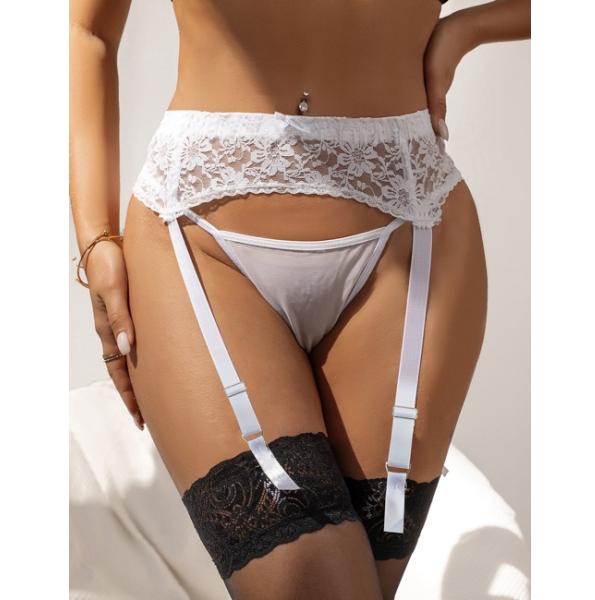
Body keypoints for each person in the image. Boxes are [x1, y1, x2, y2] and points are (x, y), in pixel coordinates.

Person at [69, 1, 530, 598]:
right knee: (311, 584)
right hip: (198, 236)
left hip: (411, 232)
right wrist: (95, 238)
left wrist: (467, 28)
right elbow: (88, 30)